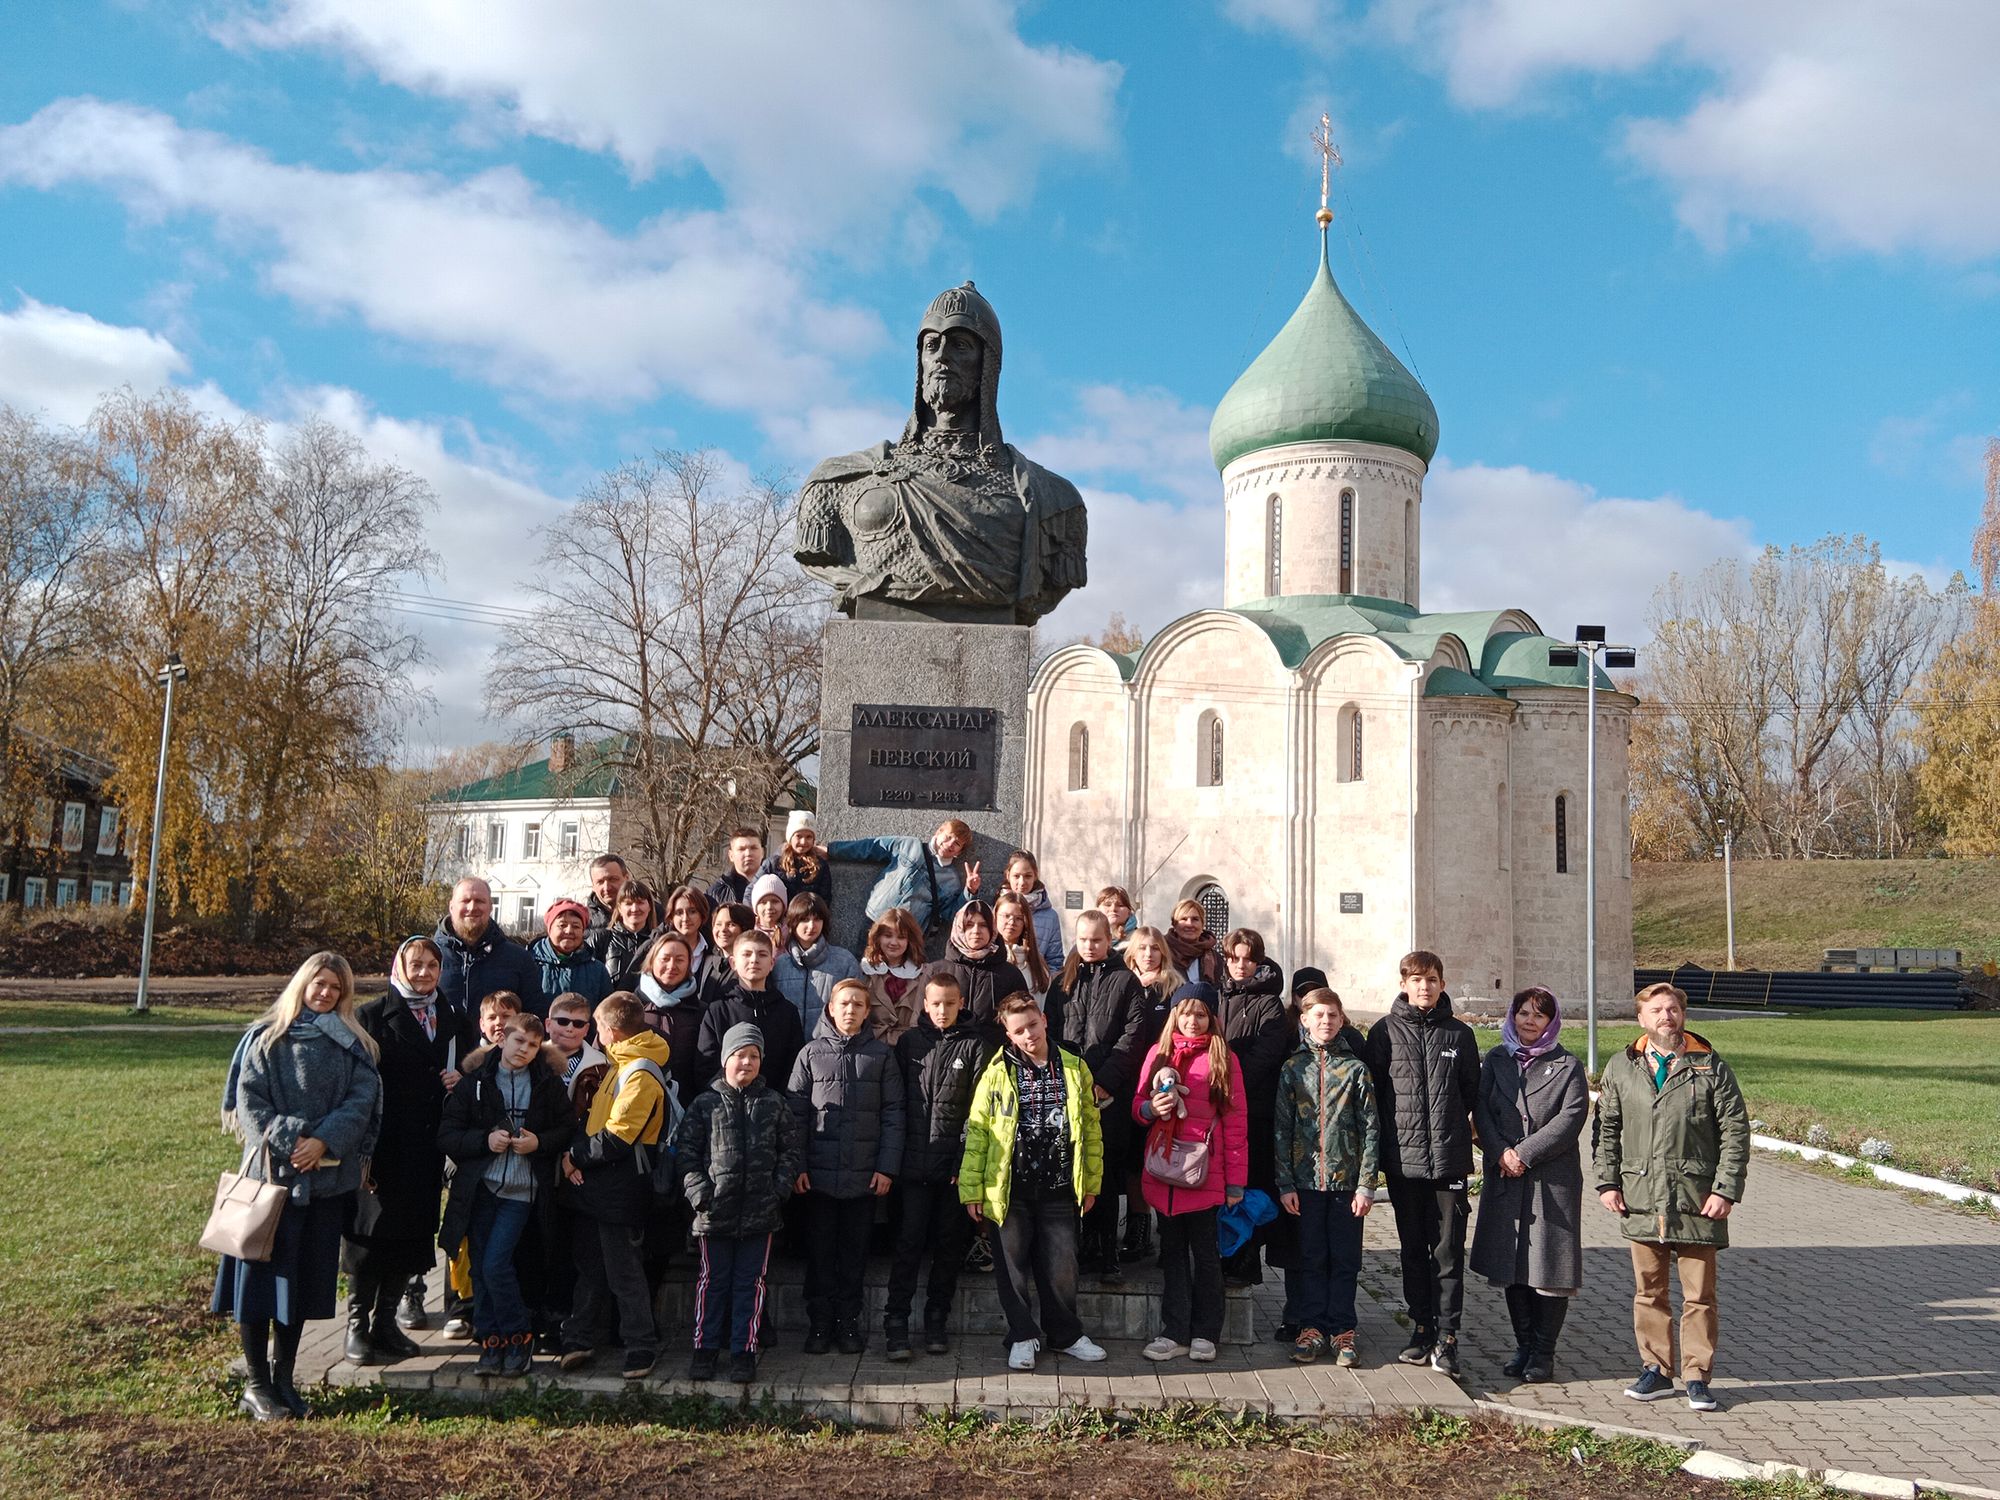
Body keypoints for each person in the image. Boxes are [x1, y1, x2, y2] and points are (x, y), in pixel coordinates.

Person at [213, 953, 382, 1420]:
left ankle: (284, 1380)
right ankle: (255, 1384)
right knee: (259, 1285)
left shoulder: (355, 1045)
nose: (326, 993)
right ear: (302, 984)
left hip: (325, 1184)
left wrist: (324, 1141)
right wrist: (293, 1141)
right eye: (319, 983)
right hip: (271, 1182)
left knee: (301, 1286)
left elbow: (361, 1099)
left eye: (336, 987)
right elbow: (250, 1100)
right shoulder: (266, 1038)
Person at [1594, 981, 1750, 1414]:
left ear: (1683, 1016)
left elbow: (1735, 1132)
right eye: (1657, 1010)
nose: (1666, 1016)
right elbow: (1605, 1130)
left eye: (1673, 1009)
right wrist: (1607, 1182)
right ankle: (1657, 1370)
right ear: (1641, 1019)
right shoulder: (1621, 1067)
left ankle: (1697, 1375)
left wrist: (1725, 1189)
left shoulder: (1710, 1067)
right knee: (1649, 1291)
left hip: (1697, 1197)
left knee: (1699, 1295)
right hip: (1642, 1195)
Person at [345, 936, 477, 1363]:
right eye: (415, 964)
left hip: (427, 1145)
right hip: (382, 1146)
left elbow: (469, 1065)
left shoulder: (452, 1016)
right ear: (398, 966)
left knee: (411, 1237)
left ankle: (387, 1322)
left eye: (431, 966)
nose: (423, 973)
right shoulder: (370, 1016)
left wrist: (461, 1078)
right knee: (372, 1237)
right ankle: (356, 1325)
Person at [960, 992, 1108, 1371]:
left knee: (1062, 1265)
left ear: (1044, 1019)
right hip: (1010, 1187)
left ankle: (1065, 1335)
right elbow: (978, 1135)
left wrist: (1090, 1182)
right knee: (1012, 1266)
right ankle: (1023, 1335)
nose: (1029, 1035)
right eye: (1019, 1030)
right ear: (1008, 1035)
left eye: (1032, 1025)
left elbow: (1090, 1129)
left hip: (1059, 1186)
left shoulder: (1075, 1067)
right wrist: (973, 1188)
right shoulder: (997, 1073)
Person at [436, 1013, 576, 1377]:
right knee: (481, 1269)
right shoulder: (476, 1081)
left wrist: (539, 1143)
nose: (525, 1051)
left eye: (532, 1045)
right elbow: (448, 1134)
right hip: (481, 1189)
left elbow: (566, 1128)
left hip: (523, 1191)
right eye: (518, 1042)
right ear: (501, 1040)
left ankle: (519, 1336)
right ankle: (491, 1341)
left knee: (497, 1264)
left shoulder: (547, 1083)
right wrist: (484, 1141)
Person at [1364, 949, 1480, 1378]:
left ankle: (1448, 1338)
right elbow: (1375, 1096)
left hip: (1448, 1164)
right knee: (1413, 1250)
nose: (1424, 987)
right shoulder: (1383, 1033)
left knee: (1448, 1253)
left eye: (1431, 980)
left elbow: (1471, 1093)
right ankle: (1421, 1328)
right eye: (1416, 980)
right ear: (1404, 984)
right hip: (1403, 1164)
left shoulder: (1460, 1036)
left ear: (1442, 985)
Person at [675, 1022, 806, 1385]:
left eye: (753, 1056)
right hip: (714, 1214)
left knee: (751, 1283)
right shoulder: (705, 1104)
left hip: (760, 1214)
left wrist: (777, 1190)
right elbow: (686, 1155)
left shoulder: (773, 1103)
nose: (746, 1063)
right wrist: (700, 1194)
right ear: (725, 1059)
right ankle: (704, 1349)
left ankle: (743, 1352)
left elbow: (790, 1152)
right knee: (712, 1283)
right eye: (739, 1055)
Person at [1471, 985, 1589, 1384]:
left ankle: (1544, 1352)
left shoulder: (1567, 1065)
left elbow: (1571, 1118)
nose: (1530, 1022)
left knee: (1548, 1269)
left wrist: (1524, 1153)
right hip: (1505, 1176)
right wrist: (1501, 1152)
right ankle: (1522, 1345)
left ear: (1551, 1021)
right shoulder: (1497, 1060)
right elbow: (1481, 1111)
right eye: (1523, 1013)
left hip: (1549, 1180)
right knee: (1512, 1265)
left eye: (1539, 1015)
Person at [788, 978, 905, 1353]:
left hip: (864, 1179)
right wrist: (798, 1164)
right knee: (820, 1255)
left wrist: (886, 1167)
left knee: (854, 1257)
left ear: (867, 1011)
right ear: (831, 1009)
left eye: (858, 1004)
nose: (851, 1010)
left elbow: (893, 1113)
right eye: (844, 1004)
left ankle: (848, 1323)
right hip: (818, 1178)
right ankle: (819, 1324)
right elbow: (796, 1115)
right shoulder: (810, 1054)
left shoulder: (882, 1056)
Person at [1132, 983, 1248, 1363]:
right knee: (1173, 1254)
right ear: (1175, 1015)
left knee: (1206, 1255)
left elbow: (1235, 1123)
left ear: (1212, 1018)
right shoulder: (1158, 1053)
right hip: (1165, 1171)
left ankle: (1205, 1331)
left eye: (1201, 1014)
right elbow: (1137, 1106)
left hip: (1204, 1172)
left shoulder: (1223, 1058)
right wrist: (1152, 1108)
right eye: (1186, 1013)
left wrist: (1235, 1182)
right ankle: (1174, 1331)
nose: (1192, 1021)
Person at [557, 992, 670, 1380]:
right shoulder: (618, 1065)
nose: (597, 1036)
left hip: (621, 1187)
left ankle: (641, 1344)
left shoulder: (638, 1072)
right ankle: (581, 1336)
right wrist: (575, 1154)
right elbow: (594, 1123)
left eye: (599, 1028)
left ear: (611, 1031)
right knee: (589, 1265)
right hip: (597, 1184)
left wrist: (575, 1157)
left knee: (624, 1270)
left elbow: (619, 1137)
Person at [886, 971, 995, 1359]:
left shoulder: (976, 1047)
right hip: (913, 1168)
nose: (943, 1010)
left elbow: (979, 1114)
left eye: (950, 1003)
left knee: (948, 1247)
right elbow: (896, 1105)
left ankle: (936, 1320)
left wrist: (964, 1162)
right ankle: (896, 1323)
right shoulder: (909, 1044)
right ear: (925, 1005)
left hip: (953, 1171)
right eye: (936, 1003)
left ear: (961, 1003)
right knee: (908, 1245)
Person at [1274, 988, 1378, 1368]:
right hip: (1304, 1185)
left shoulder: (1355, 1070)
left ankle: (1343, 1328)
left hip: (1346, 1184)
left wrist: (1367, 1184)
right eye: (1318, 1015)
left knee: (1345, 1259)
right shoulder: (1293, 1069)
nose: (1326, 1022)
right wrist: (1285, 1183)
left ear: (1341, 1019)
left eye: (1333, 1015)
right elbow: (1282, 1130)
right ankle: (1311, 1327)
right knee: (1311, 1257)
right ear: (1304, 1019)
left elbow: (1370, 1130)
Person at [1048, 908, 1148, 1282]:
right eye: (1084, 939)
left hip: (1109, 1096)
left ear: (1110, 941)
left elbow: (1133, 1036)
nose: (1089, 946)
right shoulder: (1062, 983)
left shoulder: (1126, 982)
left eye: (1097, 939)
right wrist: (1069, 1081)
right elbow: (1053, 1036)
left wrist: (1105, 1080)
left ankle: (1108, 1254)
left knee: (1104, 1176)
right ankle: (1079, 1249)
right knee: (1072, 1171)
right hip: (1070, 1093)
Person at [1216, 927, 1292, 1290]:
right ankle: (1223, 1253)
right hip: (1218, 1109)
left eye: (1248, 959)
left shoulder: (1269, 1004)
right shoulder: (1219, 995)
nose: (1240, 965)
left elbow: (1265, 1055)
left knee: (1250, 1187)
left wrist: (1225, 1080)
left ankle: (1246, 1260)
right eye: (1234, 958)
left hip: (1254, 1109)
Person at [1118, 926, 1183, 1265]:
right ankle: (1137, 1229)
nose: (1148, 954)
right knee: (1132, 1162)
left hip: (1161, 1082)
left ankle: (1167, 1232)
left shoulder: (1173, 988)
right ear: (1132, 953)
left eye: (1154, 948)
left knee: (1162, 1159)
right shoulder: (1124, 984)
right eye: (1142, 948)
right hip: (1129, 1083)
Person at [830, 818, 982, 953]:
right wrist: (832, 851)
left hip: (906, 937)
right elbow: (871, 847)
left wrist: (970, 890)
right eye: (948, 837)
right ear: (938, 832)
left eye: (956, 843)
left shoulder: (951, 880)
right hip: (876, 920)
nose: (949, 844)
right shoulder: (909, 845)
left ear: (959, 852)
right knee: (863, 971)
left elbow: (950, 914)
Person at [697, 930, 806, 1092]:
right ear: (733, 963)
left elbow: (794, 1066)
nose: (754, 960)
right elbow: (705, 1066)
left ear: (771, 963)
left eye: (762, 954)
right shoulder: (718, 1010)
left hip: (774, 1107)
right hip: (725, 1105)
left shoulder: (787, 1012)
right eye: (746, 954)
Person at [434, 877, 539, 1018]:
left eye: (479, 901)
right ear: (451, 907)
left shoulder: (519, 959)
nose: (472, 907)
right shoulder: (429, 956)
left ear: (490, 907)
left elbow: (534, 1017)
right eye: (465, 901)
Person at [923, 900, 1029, 1033]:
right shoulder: (935, 971)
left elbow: (1024, 1020)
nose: (976, 931)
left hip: (992, 1051)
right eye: (969, 925)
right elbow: (920, 1021)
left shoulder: (1010, 974)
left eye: (983, 925)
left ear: (992, 929)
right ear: (959, 927)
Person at [772, 892, 864, 1037]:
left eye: (817, 919)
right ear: (793, 922)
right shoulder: (779, 965)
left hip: (830, 1050)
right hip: (787, 1051)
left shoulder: (844, 961)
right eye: (804, 919)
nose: (811, 926)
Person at [636, 931, 709, 1104]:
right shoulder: (630, 1006)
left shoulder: (701, 1011)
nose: (672, 965)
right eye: (665, 958)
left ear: (689, 964)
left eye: (680, 960)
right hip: (638, 1104)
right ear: (652, 961)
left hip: (687, 1104)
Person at [527, 899, 612, 1020]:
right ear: (549, 929)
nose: (569, 931)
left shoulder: (597, 970)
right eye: (562, 925)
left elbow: (605, 1015)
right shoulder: (529, 964)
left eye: (576, 926)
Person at [860, 907, 927, 1044]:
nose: (894, 942)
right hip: (871, 1047)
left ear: (910, 940)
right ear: (877, 937)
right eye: (888, 935)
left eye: (901, 937)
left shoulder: (923, 974)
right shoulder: (864, 972)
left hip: (909, 1049)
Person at [593, 879, 662, 990]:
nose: (635, 909)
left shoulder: (659, 942)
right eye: (628, 903)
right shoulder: (602, 939)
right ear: (619, 908)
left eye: (640, 902)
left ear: (649, 906)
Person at [1001, 850, 1064, 969]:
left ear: (1035, 875)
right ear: (1008, 875)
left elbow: (1055, 960)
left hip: (1035, 983)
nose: (1022, 882)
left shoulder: (1050, 916)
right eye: (1016, 876)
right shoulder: (997, 908)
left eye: (1027, 876)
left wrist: (1044, 983)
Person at [760, 810, 833, 904]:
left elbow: (824, 899)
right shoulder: (773, 863)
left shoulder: (820, 866)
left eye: (808, 837)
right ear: (790, 837)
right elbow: (753, 891)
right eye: (798, 836)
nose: (803, 842)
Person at [992, 891, 1053, 1000]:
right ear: (995, 917)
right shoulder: (987, 958)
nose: (1011, 922)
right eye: (1006, 916)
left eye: (1019, 918)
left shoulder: (1037, 964)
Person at [699, 902, 754, 1000]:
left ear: (745, 928)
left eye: (731, 924)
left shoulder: (751, 965)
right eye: (718, 924)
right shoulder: (707, 961)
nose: (723, 929)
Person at [706, 827, 765, 910]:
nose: (748, 853)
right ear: (731, 855)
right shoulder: (716, 892)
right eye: (741, 849)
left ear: (762, 852)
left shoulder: (779, 885)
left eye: (753, 848)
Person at [1165, 899, 1221, 987]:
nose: (1190, 924)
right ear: (1174, 925)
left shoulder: (1215, 958)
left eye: (1195, 919)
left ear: (1202, 925)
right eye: (1184, 919)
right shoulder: (1163, 953)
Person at [663, 885, 713, 976]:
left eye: (692, 911)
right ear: (672, 917)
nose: (685, 918)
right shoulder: (658, 949)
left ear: (702, 915)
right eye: (679, 913)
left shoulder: (713, 950)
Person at [585, 854, 629, 936]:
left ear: (627, 878)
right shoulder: (583, 921)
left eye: (613, 879)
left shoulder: (652, 914)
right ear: (593, 886)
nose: (607, 888)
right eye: (600, 882)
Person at [748, 873, 792, 950]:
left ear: (783, 905)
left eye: (775, 901)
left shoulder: (792, 933)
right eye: (763, 902)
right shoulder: (748, 932)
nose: (769, 907)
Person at [1095, 886, 1136, 954]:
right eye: (1107, 905)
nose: (1113, 909)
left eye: (1120, 905)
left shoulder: (1138, 941)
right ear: (1097, 910)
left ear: (1129, 912)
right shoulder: (1086, 940)